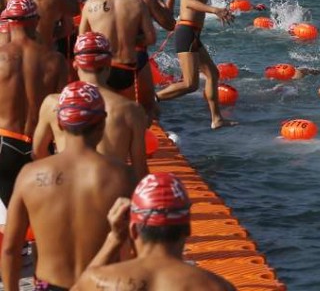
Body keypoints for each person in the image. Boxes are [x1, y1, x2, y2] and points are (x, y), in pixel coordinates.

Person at [1, 81, 134, 291]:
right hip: (102, 285)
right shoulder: (124, 177)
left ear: (60, 124)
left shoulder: (30, 176)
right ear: (102, 124)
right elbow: (140, 249)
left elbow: (10, 249)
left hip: (50, 284)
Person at [75, 173, 236, 290]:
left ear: (133, 230)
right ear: (187, 229)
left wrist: (115, 238)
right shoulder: (217, 287)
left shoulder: (98, 280)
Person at [34, 32, 149, 180]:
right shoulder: (131, 110)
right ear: (109, 63)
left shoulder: (52, 103)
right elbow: (139, 170)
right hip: (111, 192)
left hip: (69, 189)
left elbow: (38, 151)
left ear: (75, 64)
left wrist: (59, 179)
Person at [0, 0, 66, 209]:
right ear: (36, 20)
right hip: (41, 147)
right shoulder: (56, 60)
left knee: (12, 218)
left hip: (5, 145)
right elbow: (61, 111)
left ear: (8, 22)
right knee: (42, 218)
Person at [160, 0, 236, 129]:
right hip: (187, 31)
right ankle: (152, 99)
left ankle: (216, 119)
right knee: (190, 84)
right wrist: (215, 10)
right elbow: (189, 2)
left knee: (212, 73)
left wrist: (170, 18)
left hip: (190, 32)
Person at [79, 0, 156, 109]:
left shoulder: (90, 5)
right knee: (145, 110)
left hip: (103, 69)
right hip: (129, 67)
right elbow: (151, 38)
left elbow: (82, 42)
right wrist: (130, 40)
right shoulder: (137, 3)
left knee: (106, 113)